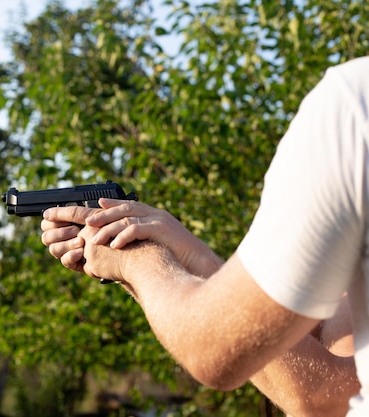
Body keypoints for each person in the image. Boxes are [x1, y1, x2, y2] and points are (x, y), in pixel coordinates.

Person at [40, 56, 369, 416]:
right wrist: (193, 256)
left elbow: (326, 397)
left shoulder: (354, 104)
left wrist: (135, 259)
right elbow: (326, 331)